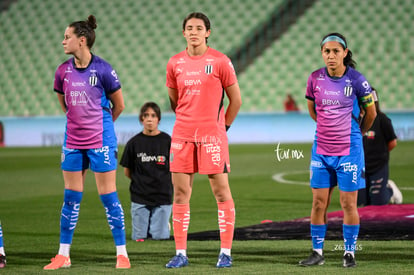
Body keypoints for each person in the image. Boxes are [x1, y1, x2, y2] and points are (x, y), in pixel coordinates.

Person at [44, 15, 130, 270]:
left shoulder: (104, 69)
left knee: (109, 197)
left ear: (82, 41)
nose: (63, 41)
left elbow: (119, 105)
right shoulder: (62, 71)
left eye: (67, 37)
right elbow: (64, 105)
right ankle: (63, 255)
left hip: (101, 141)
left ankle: (122, 254)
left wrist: (102, 128)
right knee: (70, 197)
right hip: (73, 141)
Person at [164, 12, 242, 269]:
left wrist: (222, 128)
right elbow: (175, 101)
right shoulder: (174, 63)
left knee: (221, 193)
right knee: (180, 194)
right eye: (189, 28)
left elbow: (236, 101)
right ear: (183, 33)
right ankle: (181, 253)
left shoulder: (220, 61)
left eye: (199, 28)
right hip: (182, 136)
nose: (194, 32)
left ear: (208, 32)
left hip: (212, 137)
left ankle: (226, 252)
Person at [299, 33, 376, 268]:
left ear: (344, 52)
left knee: (348, 204)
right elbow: (314, 112)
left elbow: (371, 113)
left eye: (335, 51)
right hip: (321, 151)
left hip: (349, 152)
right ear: (322, 53)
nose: (331, 55)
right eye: (326, 51)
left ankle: (349, 253)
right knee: (318, 204)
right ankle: (317, 252)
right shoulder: (314, 79)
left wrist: (356, 134)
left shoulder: (357, 80)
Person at [120, 102, 173, 241]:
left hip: (163, 196)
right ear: (141, 119)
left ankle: (162, 226)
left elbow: (174, 167)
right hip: (140, 197)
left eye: (153, 116)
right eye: (146, 115)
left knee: (159, 238)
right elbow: (127, 171)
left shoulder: (167, 141)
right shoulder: (133, 143)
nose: (150, 119)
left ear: (159, 119)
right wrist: (141, 182)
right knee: (139, 238)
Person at [357, 88, 402, 206]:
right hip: (361, 167)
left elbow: (392, 142)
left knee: (378, 203)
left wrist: (380, 154)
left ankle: (389, 190)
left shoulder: (383, 120)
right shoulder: (356, 121)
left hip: (378, 167)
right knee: (361, 204)